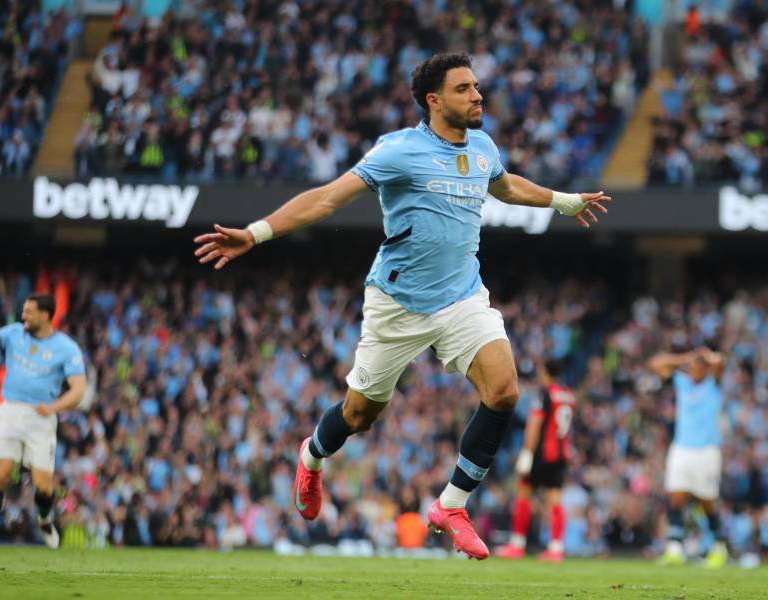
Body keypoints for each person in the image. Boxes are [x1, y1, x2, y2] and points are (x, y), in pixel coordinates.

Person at [194, 53, 611, 559]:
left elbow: (504, 184)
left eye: (477, 86)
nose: (478, 95)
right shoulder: (398, 151)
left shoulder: (481, 147)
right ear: (434, 100)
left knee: (503, 392)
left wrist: (564, 202)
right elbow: (328, 198)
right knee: (359, 414)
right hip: (397, 303)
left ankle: (451, 505)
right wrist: (256, 234)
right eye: (464, 89)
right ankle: (313, 454)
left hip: (461, 297)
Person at [0, 294, 86, 551]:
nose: (24, 316)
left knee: (42, 484)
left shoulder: (66, 348)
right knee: (2, 471)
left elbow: (78, 390)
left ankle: (44, 519)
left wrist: (53, 407)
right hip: (10, 410)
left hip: (41, 417)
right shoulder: (15, 334)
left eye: (29, 312)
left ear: (46, 315)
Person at [648, 347, 728, 567]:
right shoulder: (681, 382)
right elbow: (655, 363)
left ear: (705, 369)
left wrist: (707, 357)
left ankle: (719, 547)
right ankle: (674, 548)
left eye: (699, 366)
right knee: (676, 497)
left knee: (707, 501)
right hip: (682, 448)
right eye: (692, 366)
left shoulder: (713, 384)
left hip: (707, 450)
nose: (694, 369)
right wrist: (684, 357)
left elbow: (720, 362)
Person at [497, 359, 575, 561]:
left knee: (523, 494)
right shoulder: (568, 395)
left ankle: (517, 544)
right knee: (555, 501)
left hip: (542, 453)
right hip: (561, 454)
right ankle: (556, 548)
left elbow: (535, 424)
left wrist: (527, 453)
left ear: (545, 371)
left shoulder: (543, 393)